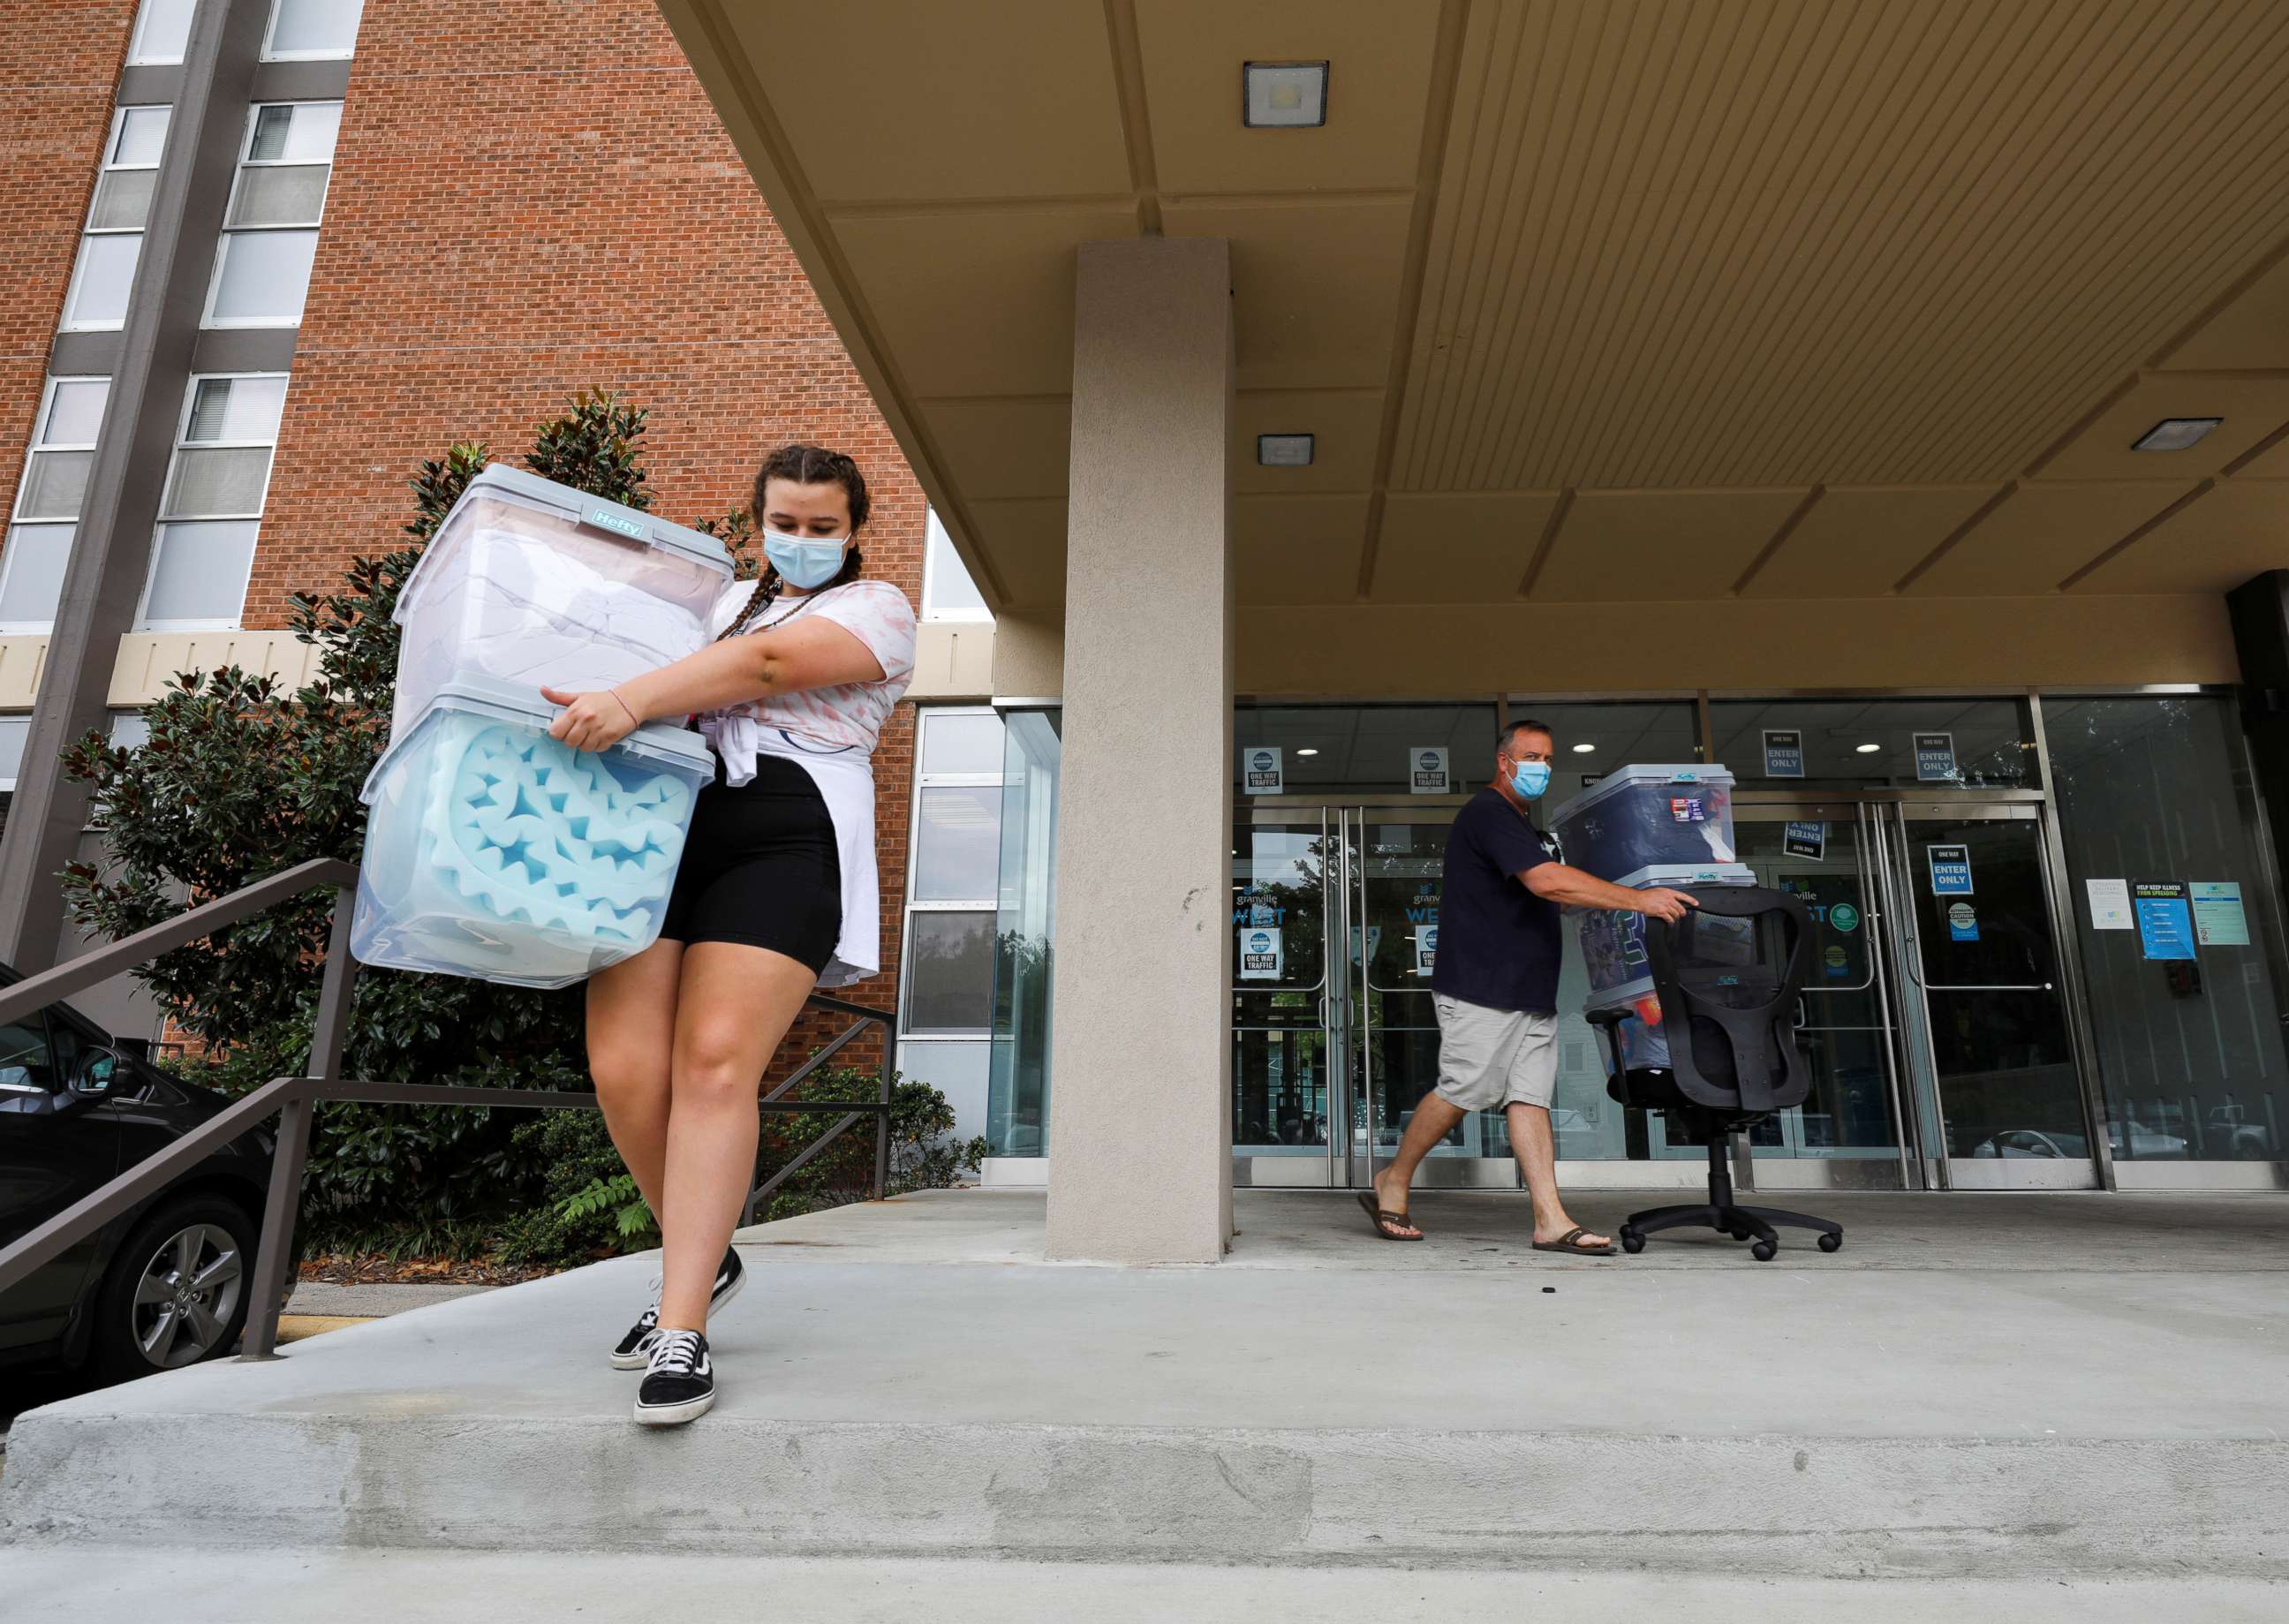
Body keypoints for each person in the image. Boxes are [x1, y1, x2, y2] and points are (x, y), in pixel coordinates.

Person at [542, 444, 915, 1425]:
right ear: (757, 522)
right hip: (661, 830)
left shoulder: (875, 609)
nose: (799, 541)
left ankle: (682, 1329)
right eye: (783, 524)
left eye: (820, 526)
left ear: (853, 530)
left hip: (787, 832)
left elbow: (768, 664)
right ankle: (705, 1250)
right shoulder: (705, 609)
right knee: (625, 1070)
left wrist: (631, 697)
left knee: (714, 1064)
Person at [1358, 720, 1696, 1254]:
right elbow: (1545, 881)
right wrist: (1640, 899)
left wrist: (1615, 888)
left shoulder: (1525, 828)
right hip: (1482, 986)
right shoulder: (1488, 813)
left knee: (1529, 1098)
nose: (1541, 766)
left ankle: (1551, 1220)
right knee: (1464, 1089)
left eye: (1547, 757)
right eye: (1532, 757)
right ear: (1505, 761)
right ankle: (1393, 1179)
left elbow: (1554, 895)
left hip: (1529, 989)